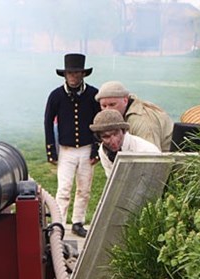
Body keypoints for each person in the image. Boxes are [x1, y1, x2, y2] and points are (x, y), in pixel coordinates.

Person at [44, 53, 101, 238]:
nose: (74, 77)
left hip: (86, 149)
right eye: (70, 73)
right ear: (65, 75)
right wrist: (51, 151)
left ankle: (78, 222)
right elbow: (47, 122)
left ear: (83, 74)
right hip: (66, 151)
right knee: (64, 189)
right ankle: (59, 224)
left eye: (77, 73)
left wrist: (96, 149)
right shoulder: (56, 95)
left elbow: (98, 123)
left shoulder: (93, 94)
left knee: (84, 189)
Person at [95, 81, 173, 152]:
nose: (108, 110)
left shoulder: (141, 120)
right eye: (104, 106)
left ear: (125, 101)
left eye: (112, 105)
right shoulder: (126, 113)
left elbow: (151, 157)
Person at [89, 109, 160, 179]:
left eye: (116, 134)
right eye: (106, 137)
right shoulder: (103, 151)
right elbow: (112, 179)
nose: (113, 141)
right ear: (99, 138)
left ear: (123, 131)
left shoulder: (146, 151)